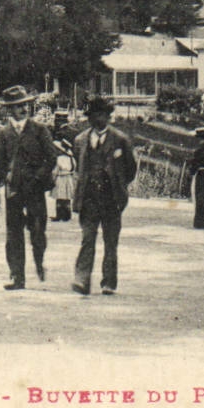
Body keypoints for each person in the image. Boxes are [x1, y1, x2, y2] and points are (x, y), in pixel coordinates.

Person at [71, 96, 138, 296]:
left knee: (110, 242)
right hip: (89, 198)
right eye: (93, 115)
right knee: (87, 238)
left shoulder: (120, 140)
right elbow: (80, 167)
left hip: (111, 199)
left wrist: (118, 186)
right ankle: (82, 280)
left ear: (108, 117)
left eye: (101, 115)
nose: (97, 119)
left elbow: (130, 169)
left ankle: (108, 282)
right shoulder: (81, 141)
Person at [0, 85, 54, 290]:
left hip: (35, 190)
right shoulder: (5, 133)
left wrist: (38, 177)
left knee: (37, 231)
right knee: (13, 234)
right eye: (18, 106)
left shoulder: (39, 130)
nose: (23, 109)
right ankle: (17, 276)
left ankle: (39, 259)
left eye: (25, 105)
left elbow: (51, 158)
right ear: (9, 110)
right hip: (14, 191)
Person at [51, 136, 76, 222]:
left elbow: (55, 170)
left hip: (60, 178)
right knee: (67, 198)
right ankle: (67, 215)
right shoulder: (71, 158)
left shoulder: (59, 159)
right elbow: (74, 168)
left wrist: (52, 179)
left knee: (59, 197)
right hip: (68, 178)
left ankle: (59, 215)